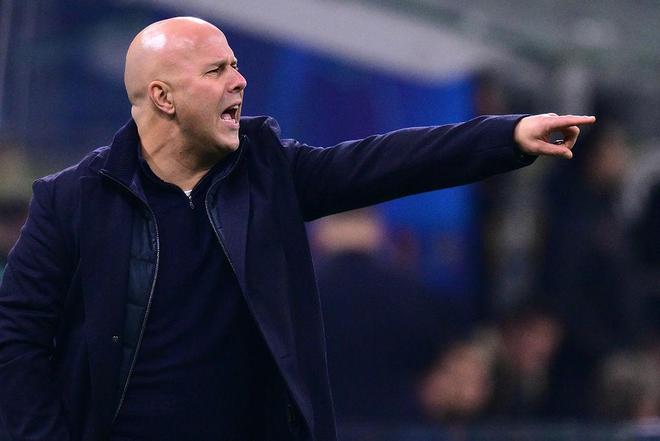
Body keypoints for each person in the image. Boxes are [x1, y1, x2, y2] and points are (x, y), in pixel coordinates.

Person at [0, 16, 595, 441]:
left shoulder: (266, 173)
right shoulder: (72, 201)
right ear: (163, 97)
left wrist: (506, 136)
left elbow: (386, 162)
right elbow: (16, 337)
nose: (239, 81)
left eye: (236, 67)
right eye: (216, 70)